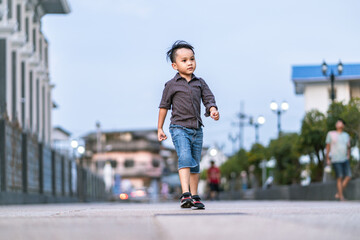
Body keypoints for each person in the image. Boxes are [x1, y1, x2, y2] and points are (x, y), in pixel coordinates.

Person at [157, 40, 220, 209]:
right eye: (184, 60)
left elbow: (208, 98)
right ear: (174, 65)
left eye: (192, 59)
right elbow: (163, 107)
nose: (190, 63)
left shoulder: (200, 83)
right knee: (185, 157)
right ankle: (186, 194)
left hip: (197, 129)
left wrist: (212, 109)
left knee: (195, 164)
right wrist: (160, 128)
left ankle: (195, 195)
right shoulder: (171, 85)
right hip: (178, 128)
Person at [325, 118, 352, 201]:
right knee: (339, 177)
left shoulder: (346, 135)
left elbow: (348, 147)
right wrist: (327, 158)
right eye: (337, 122)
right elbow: (328, 146)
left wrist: (348, 155)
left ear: (343, 125)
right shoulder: (331, 134)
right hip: (335, 159)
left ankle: (338, 193)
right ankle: (341, 197)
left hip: (345, 159)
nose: (338, 123)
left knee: (348, 176)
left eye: (340, 122)